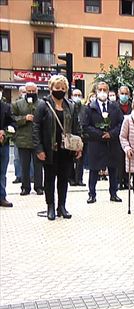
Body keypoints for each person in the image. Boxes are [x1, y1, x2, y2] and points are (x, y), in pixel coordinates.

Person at [32, 75, 82, 220]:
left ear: (66, 89)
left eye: (62, 88)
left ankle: (62, 206)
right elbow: (36, 128)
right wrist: (39, 149)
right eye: (57, 87)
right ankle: (50, 207)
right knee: (49, 179)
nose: (60, 90)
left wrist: (78, 146)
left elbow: (76, 127)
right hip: (49, 149)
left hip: (66, 149)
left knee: (63, 179)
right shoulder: (43, 104)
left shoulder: (71, 106)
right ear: (51, 88)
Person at [82, 81, 124, 204]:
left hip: (112, 143)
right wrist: (100, 134)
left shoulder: (115, 107)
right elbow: (85, 126)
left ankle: (113, 193)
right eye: (100, 89)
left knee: (113, 169)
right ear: (96, 91)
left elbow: (121, 123)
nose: (102, 92)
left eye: (105, 90)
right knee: (94, 170)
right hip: (96, 143)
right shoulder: (90, 107)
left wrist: (111, 134)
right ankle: (92, 194)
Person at [12, 82, 45, 196]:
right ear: (25, 92)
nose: (31, 93)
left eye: (33, 91)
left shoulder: (42, 104)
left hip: (38, 141)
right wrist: (24, 118)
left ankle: (39, 187)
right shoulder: (18, 104)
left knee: (38, 166)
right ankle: (25, 187)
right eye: (28, 91)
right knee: (24, 166)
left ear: (37, 91)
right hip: (23, 140)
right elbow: (12, 119)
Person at [0, 85, 15, 207]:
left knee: (2, 172)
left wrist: (4, 131)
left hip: (3, 144)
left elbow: (12, 124)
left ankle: (1, 196)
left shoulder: (6, 107)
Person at [69, 89, 86, 187]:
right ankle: (71, 179)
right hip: (72, 136)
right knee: (71, 159)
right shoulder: (69, 107)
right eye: (75, 95)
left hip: (83, 136)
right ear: (71, 96)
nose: (77, 97)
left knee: (80, 160)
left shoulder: (84, 108)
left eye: (79, 95)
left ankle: (79, 179)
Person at [117, 85, 132, 190]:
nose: (124, 96)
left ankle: (127, 181)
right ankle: (118, 181)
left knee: (128, 159)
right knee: (118, 160)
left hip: (130, 137)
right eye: (122, 93)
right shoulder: (114, 106)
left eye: (126, 94)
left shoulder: (133, 106)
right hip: (117, 137)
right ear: (118, 94)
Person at [12, 86, 26, 184]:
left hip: (30, 136)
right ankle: (18, 176)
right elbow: (13, 118)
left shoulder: (34, 103)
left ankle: (31, 176)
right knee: (17, 158)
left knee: (30, 161)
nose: (25, 93)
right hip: (18, 135)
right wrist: (24, 119)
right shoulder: (16, 104)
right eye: (23, 92)